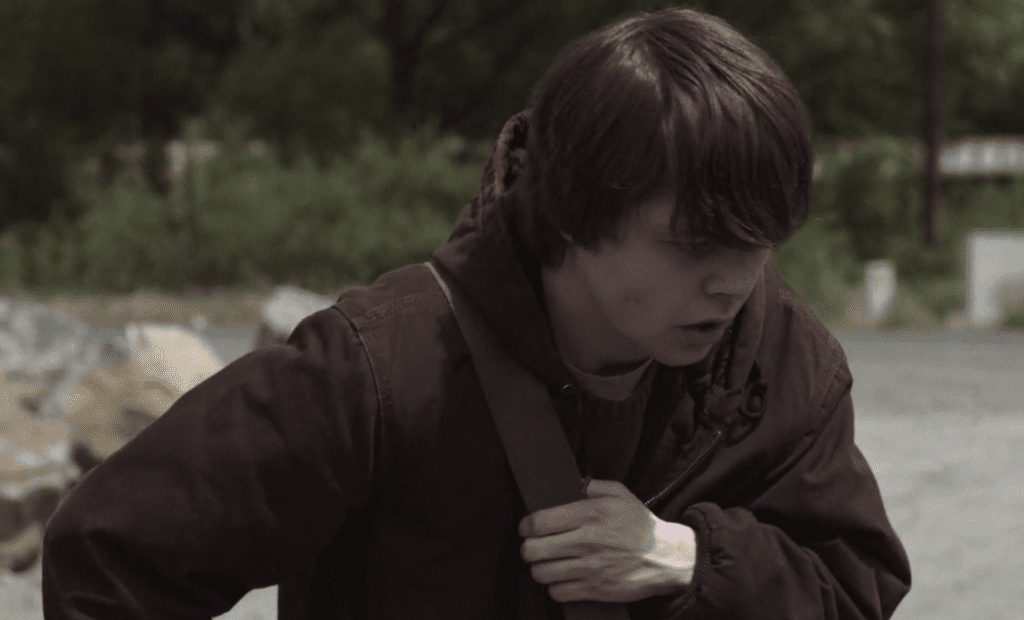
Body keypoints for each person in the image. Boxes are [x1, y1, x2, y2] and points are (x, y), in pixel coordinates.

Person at [42, 7, 911, 619]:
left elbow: (854, 587)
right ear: (576, 212)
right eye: (695, 244)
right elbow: (113, 556)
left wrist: (687, 560)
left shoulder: (782, 356)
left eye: (760, 242)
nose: (735, 282)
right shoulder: (378, 371)